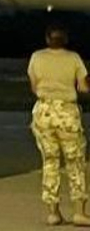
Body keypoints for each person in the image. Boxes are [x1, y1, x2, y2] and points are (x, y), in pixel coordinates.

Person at [29, 26, 90, 225]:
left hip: (44, 112)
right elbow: (83, 87)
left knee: (50, 162)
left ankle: (53, 212)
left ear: (48, 39)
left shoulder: (36, 57)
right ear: (65, 39)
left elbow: (34, 86)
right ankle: (79, 212)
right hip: (67, 112)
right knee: (75, 163)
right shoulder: (74, 58)